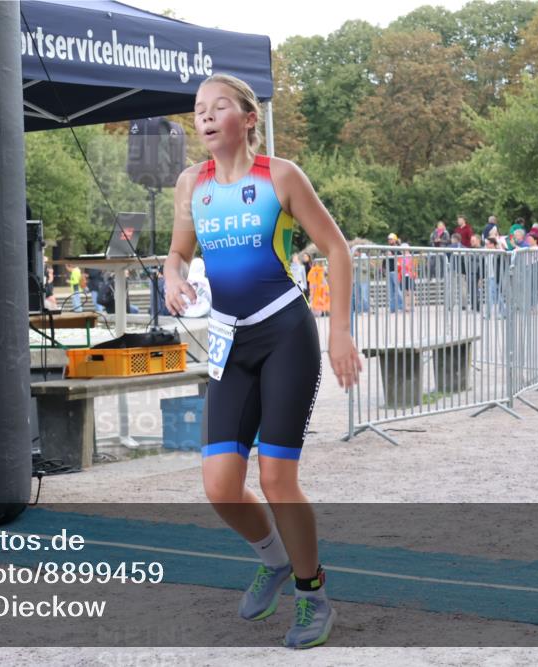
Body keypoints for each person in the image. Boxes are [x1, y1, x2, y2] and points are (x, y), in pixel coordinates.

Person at [161, 73, 361, 649]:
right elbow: (177, 254)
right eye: (199, 108)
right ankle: (274, 561)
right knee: (221, 486)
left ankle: (312, 593)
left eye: (218, 106)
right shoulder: (190, 184)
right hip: (230, 341)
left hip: (284, 335)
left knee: (276, 477)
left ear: (248, 119)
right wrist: (172, 278)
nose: (205, 115)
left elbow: (336, 248)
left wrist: (340, 333)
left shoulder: (281, 176)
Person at [384, 233, 405, 312]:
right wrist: (384, 269)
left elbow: (400, 257)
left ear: (395, 240)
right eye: (389, 239)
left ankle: (401, 306)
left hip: (396, 271)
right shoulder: (387, 248)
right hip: (389, 271)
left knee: (397, 290)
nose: (389, 241)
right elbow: (384, 260)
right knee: (390, 291)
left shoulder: (398, 248)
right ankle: (392, 308)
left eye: (391, 239)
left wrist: (392, 254)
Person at [397, 243, 416, 312]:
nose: (402, 251)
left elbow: (411, 266)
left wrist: (404, 266)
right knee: (404, 293)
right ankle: (406, 307)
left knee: (411, 292)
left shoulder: (411, 256)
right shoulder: (400, 257)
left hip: (410, 276)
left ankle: (412, 306)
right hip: (403, 276)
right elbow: (399, 268)